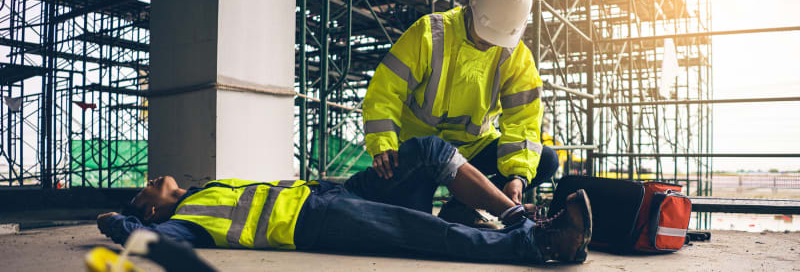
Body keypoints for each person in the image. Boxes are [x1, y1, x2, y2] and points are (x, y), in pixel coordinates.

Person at [97, 136, 592, 264]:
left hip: (324, 193)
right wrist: (116, 220)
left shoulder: (204, 189)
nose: (152, 178)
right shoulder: (183, 221)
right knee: (419, 232)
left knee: (425, 153)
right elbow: (143, 239)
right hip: (313, 222)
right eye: (144, 190)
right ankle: (538, 243)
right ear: (152, 207)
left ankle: (516, 217)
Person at [361, 0, 558, 227]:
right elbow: (385, 91)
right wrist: (383, 144)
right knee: (416, 223)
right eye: (485, 34)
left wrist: (516, 176)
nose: (489, 43)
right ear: (471, 6)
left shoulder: (517, 58)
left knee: (546, 159)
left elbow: (523, 121)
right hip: (423, 153)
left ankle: (462, 208)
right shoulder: (430, 34)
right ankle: (436, 202)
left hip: (472, 149)